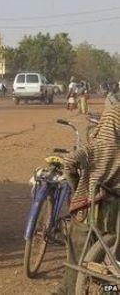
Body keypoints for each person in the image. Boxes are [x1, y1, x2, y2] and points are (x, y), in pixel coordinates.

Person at [58, 104, 120, 294]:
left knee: (76, 254)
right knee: (113, 257)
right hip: (115, 211)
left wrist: (77, 185)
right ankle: (109, 288)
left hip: (89, 207)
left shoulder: (94, 145)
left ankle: (68, 290)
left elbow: (68, 162)